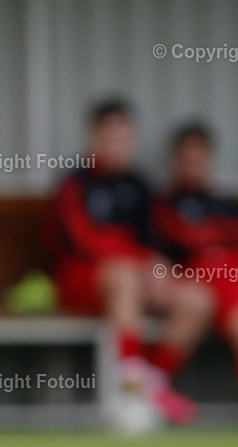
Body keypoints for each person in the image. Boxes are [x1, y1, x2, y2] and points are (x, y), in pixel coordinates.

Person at [46, 99, 214, 425]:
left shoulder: (140, 185)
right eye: (110, 137)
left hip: (133, 280)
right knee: (125, 277)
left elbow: (154, 245)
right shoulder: (74, 183)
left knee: (197, 298)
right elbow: (83, 243)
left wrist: (157, 266)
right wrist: (140, 262)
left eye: (124, 138)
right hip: (80, 282)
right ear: (94, 138)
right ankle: (132, 387)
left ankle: (152, 382)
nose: (117, 145)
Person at [155, 122, 238, 399]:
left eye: (199, 156)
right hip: (199, 279)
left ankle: (149, 385)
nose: (194, 163)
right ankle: (149, 387)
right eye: (187, 158)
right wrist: (216, 237)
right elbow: (183, 240)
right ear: (176, 161)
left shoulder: (227, 203)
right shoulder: (165, 203)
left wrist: (210, 234)